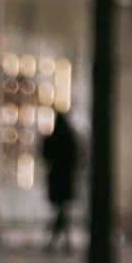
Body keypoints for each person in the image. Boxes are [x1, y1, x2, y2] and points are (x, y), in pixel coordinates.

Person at [41, 104, 80, 249]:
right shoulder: (69, 138)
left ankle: (54, 242)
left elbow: (45, 156)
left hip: (55, 177)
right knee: (62, 211)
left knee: (60, 211)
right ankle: (63, 242)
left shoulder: (51, 139)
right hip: (66, 178)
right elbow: (76, 157)